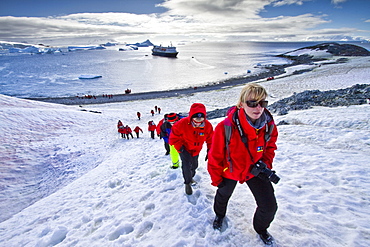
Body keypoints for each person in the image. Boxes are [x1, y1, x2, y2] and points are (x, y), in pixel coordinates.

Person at [207, 83, 279, 245]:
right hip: (230, 170)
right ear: (241, 104)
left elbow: (270, 147)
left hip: (255, 169)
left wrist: (265, 164)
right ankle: (219, 215)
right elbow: (215, 155)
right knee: (223, 195)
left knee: (269, 206)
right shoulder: (225, 127)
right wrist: (216, 178)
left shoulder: (268, 125)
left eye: (262, 103)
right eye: (252, 103)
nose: (258, 107)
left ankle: (261, 229)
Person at [170, 103, 213, 195]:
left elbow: (211, 139)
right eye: (196, 118)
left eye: (201, 118)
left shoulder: (207, 126)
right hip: (184, 148)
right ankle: (187, 183)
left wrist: (210, 150)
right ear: (191, 117)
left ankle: (191, 177)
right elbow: (173, 137)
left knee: (194, 165)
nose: (198, 121)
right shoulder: (181, 124)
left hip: (196, 150)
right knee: (186, 165)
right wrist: (180, 148)